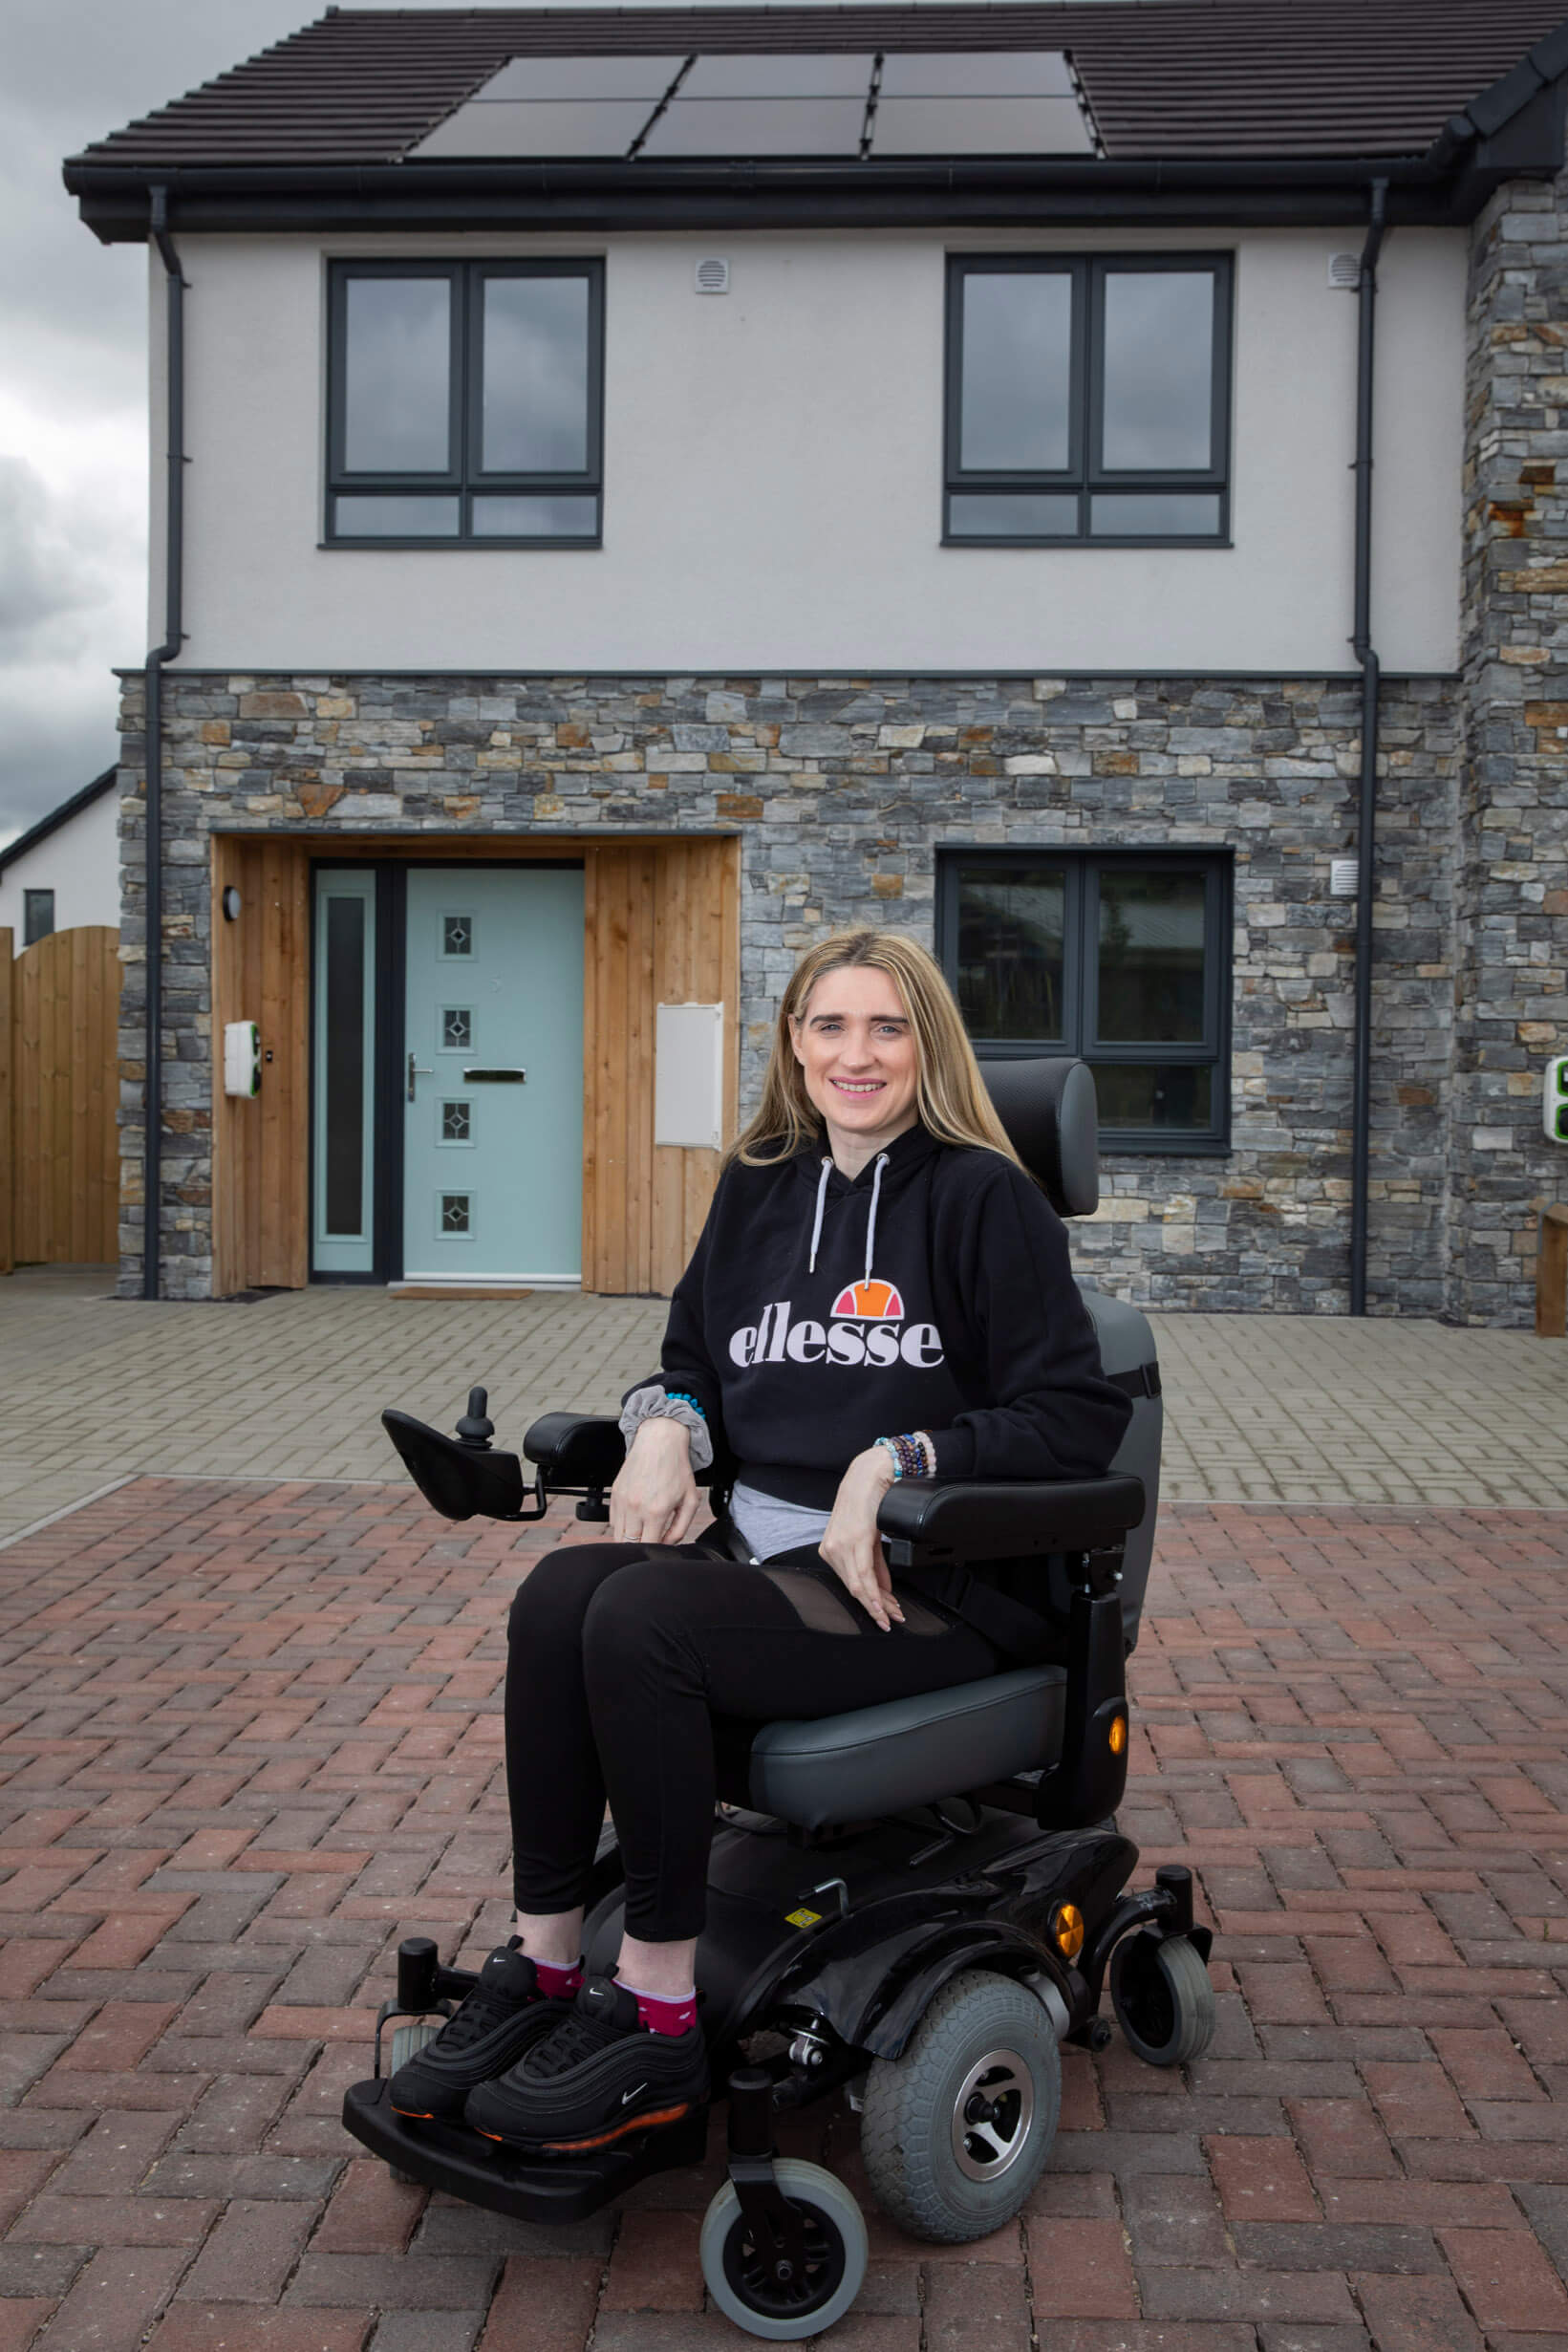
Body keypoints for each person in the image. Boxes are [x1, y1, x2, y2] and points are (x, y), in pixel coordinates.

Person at [389, 929, 1131, 2155]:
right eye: (829, 1026)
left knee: (641, 1617)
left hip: (929, 1584)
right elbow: (692, 1363)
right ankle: (551, 1967)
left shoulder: (983, 1199)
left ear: (925, 1045)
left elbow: (1073, 1412)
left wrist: (897, 1463)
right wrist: (665, 1430)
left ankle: (662, 2018)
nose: (857, 1054)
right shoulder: (758, 1185)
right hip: (765, 1566)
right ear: (793, 1042)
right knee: (555, 1599)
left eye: (887, 1027)